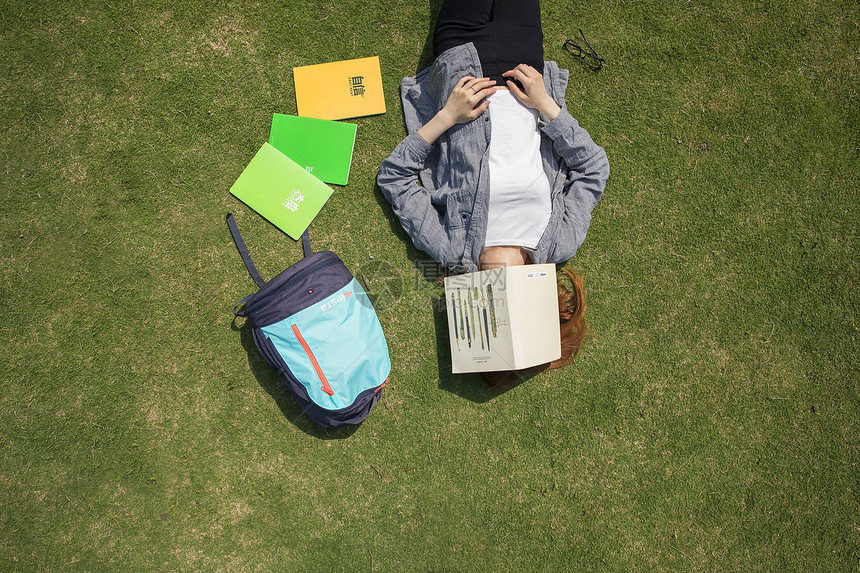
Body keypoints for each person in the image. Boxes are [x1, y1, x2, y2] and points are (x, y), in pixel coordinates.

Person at [377, 0, 609, 387]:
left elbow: (395, 178)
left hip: (463, 64)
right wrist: (546, 105)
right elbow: (592, 168)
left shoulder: (450, 248)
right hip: (524, 71)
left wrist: (446, 116)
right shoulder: (559, 242)